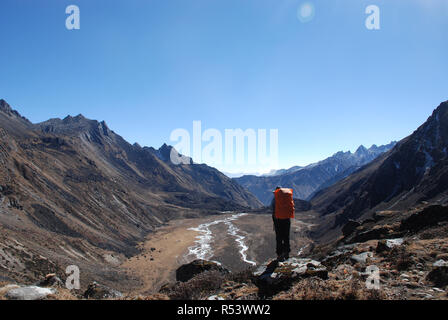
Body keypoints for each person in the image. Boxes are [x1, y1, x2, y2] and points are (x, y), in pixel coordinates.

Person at [271, 186, 294, 262]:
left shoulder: (275, 199)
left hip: (278, 220)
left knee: (279, 238)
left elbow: (272, 208)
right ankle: (287, 253)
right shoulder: (287, 197)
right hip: (287, 219)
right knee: (286, 236)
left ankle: (280, 254)